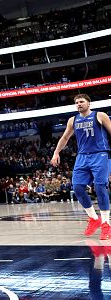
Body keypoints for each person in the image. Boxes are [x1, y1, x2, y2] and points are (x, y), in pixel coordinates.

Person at [51, 94, 111, 239]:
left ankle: (106, 224)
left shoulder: (100, 115)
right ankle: (93, 218)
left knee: (100, 186)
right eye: (76, 102)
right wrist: (56, 152)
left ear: (89, 103)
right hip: (82, 156)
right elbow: (65, 137)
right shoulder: (73, 120)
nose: (79, 104)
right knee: (77, 187)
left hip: (100, 154)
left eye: (81, 101)